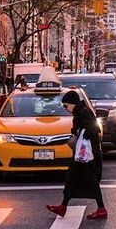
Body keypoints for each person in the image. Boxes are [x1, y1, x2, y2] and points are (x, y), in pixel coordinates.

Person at [46, 90, 107, 219]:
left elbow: (95, 129)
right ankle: (63, 206)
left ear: (73, 104)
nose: (65, 108)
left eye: (66, 105)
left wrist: (81, 131)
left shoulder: (83, 112)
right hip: (82, 154)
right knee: (72, 178)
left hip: (87, 155)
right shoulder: (80, 112)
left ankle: (101, 209)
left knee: (90, 180)